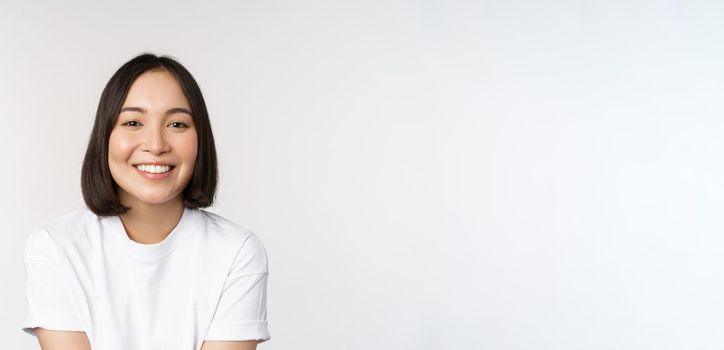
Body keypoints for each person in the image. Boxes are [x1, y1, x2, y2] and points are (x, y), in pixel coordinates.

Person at [21, 53, 271, 350]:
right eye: (133, 122)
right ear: (105, 137)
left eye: (177, 124)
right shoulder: (56, 246)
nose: (155, 145)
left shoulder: (237, 252)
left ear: (200, 140)